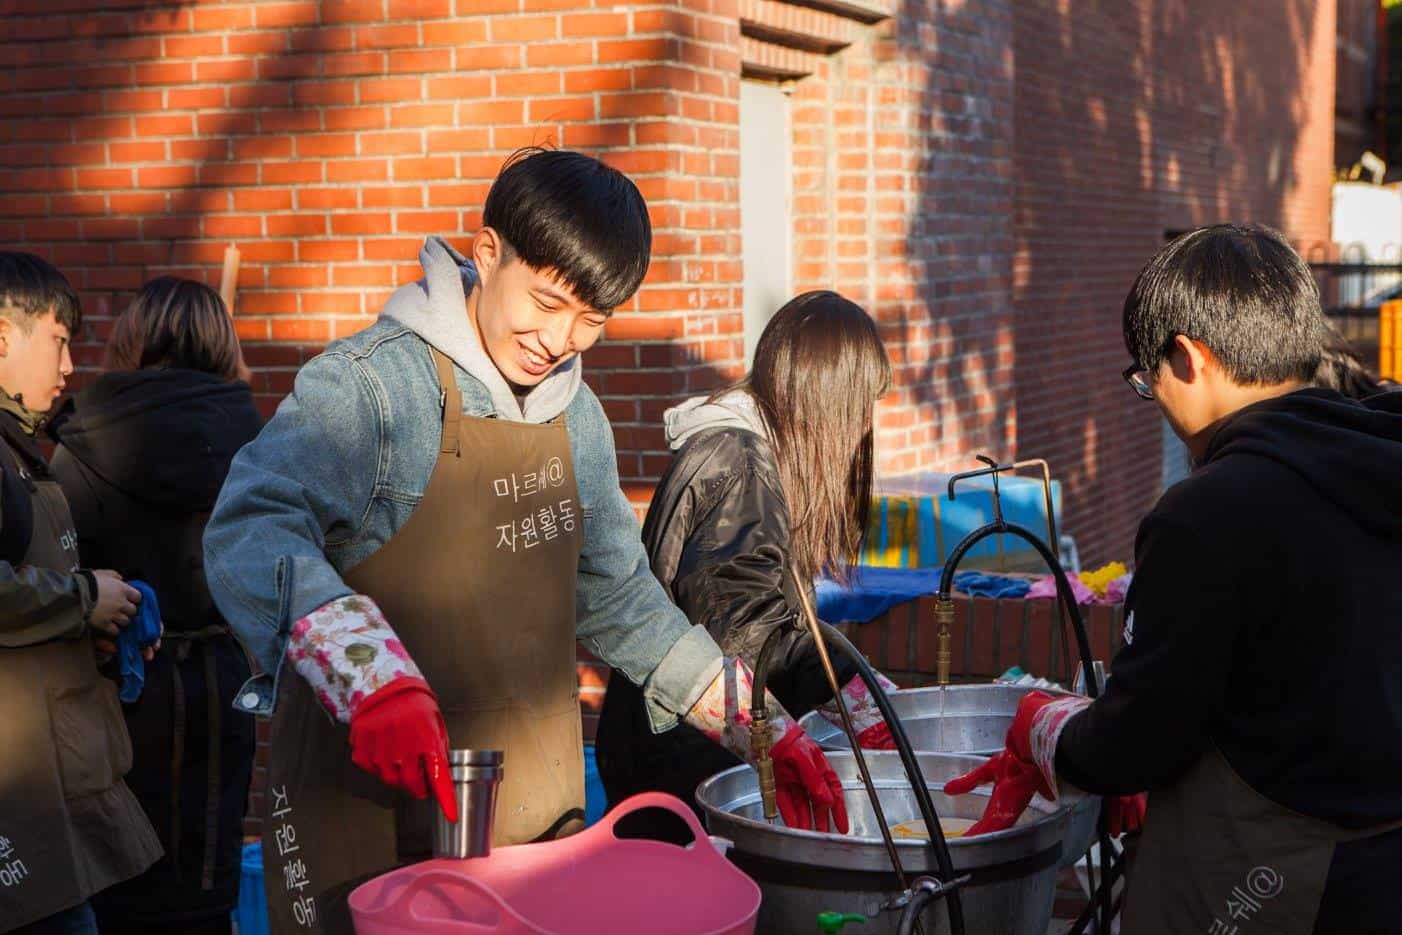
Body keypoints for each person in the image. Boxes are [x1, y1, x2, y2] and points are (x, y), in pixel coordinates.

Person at [202, 148, 848, 935]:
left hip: (530, 826)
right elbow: (251, 522)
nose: (560, 338)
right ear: (486, 254)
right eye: (544, 302)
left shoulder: (578, 419)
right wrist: (367, 672)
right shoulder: (373, 387)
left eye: (591, 319)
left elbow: (622, 602)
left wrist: (760, 723)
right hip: (370, 816)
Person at [944, 224, 1402, 933]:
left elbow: (1140, 738)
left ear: (1188, 358)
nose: (1150, 395)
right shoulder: (1376, 463)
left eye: (1144, 376)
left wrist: (1049, 729)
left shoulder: (1208, 512)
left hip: (1271, 892)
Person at [596, 291, 902, 834]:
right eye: (859, 408)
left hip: (679, 755)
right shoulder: (740, 467)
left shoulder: (743, 455)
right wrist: (851, 682)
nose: (861, 430)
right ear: (827, 400)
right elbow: (746, 635)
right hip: (680, 770)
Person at [49, 277, 263, 935]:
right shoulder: (254, 437)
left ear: (133, 337)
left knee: (120, 875)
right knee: (207, 875)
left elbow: (60, 567)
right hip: (219, 676)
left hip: (119, 677)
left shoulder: (81, 437)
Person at [0, 252, 162, 935]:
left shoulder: (24, 450)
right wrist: (80, 597)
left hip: (50, 783)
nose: (69, 367)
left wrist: (92, 631)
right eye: (59, 341)